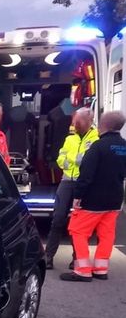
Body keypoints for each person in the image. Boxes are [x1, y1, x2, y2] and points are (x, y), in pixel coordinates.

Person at [60, 110, 126, 282]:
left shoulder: (97, 147)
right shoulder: (124, 146)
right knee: (107, 235)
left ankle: (83, 271)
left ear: (103, 125)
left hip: (93, 200)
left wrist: (78, 195)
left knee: (78, 231)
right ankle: (100, 269)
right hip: (114, 199)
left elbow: (86, 175)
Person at [44, 107, 98, 268]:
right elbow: (61, 158)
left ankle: (77, 259)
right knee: (57, 219)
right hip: (67, 181)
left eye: (78, 121)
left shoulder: (96, 140)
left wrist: (72, 160)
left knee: (80, 226)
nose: (75, 124)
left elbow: (89, 162)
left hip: (84, 183)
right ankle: (48, 257)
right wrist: (73, 161)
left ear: (88, 121)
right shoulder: (70, 139)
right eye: (74, 121)